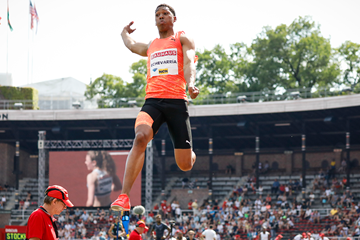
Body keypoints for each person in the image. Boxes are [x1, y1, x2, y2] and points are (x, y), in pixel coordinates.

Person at [111, 3, 199, 211]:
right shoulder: (151, 45)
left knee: (185, 164)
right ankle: (124, 196)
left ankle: (191, 153)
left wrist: (191, 83)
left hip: (177, 102)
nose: (160, 17)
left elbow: (188, 62)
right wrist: (123, 33)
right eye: (157, 14)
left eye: (165, 14)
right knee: (140, 137)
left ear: (173, 19)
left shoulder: (182, 39)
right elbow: (132, 45)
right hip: (153, 102)